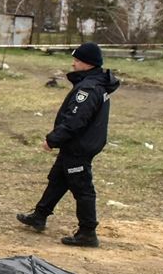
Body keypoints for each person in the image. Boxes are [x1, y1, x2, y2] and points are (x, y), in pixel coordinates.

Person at [17, 42, 119, 247]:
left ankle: (88, 232)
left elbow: (75, 121)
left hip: (79, 147)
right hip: (76, 145)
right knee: (58, 179)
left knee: (82, 187)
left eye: (77, 60)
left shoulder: (89, 89)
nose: (73, 64)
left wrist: (53, 139)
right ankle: (40, 215)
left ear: (88, 63)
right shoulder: (93, 83)